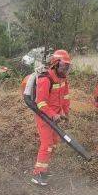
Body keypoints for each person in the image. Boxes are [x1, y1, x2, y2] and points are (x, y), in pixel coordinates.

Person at [31, 49, 72, 186]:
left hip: (55, 116)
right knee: (47, 143)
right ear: (55, 64)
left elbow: (65, 98)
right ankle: (38, 174)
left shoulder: (63, 79)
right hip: (44, 116)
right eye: (63, 65)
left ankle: (44, 169)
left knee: (53, 143)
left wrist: (65, 113)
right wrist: (53, 115)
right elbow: (41, 103)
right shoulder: (45, 79)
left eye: (67, 66)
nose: (65, 69)